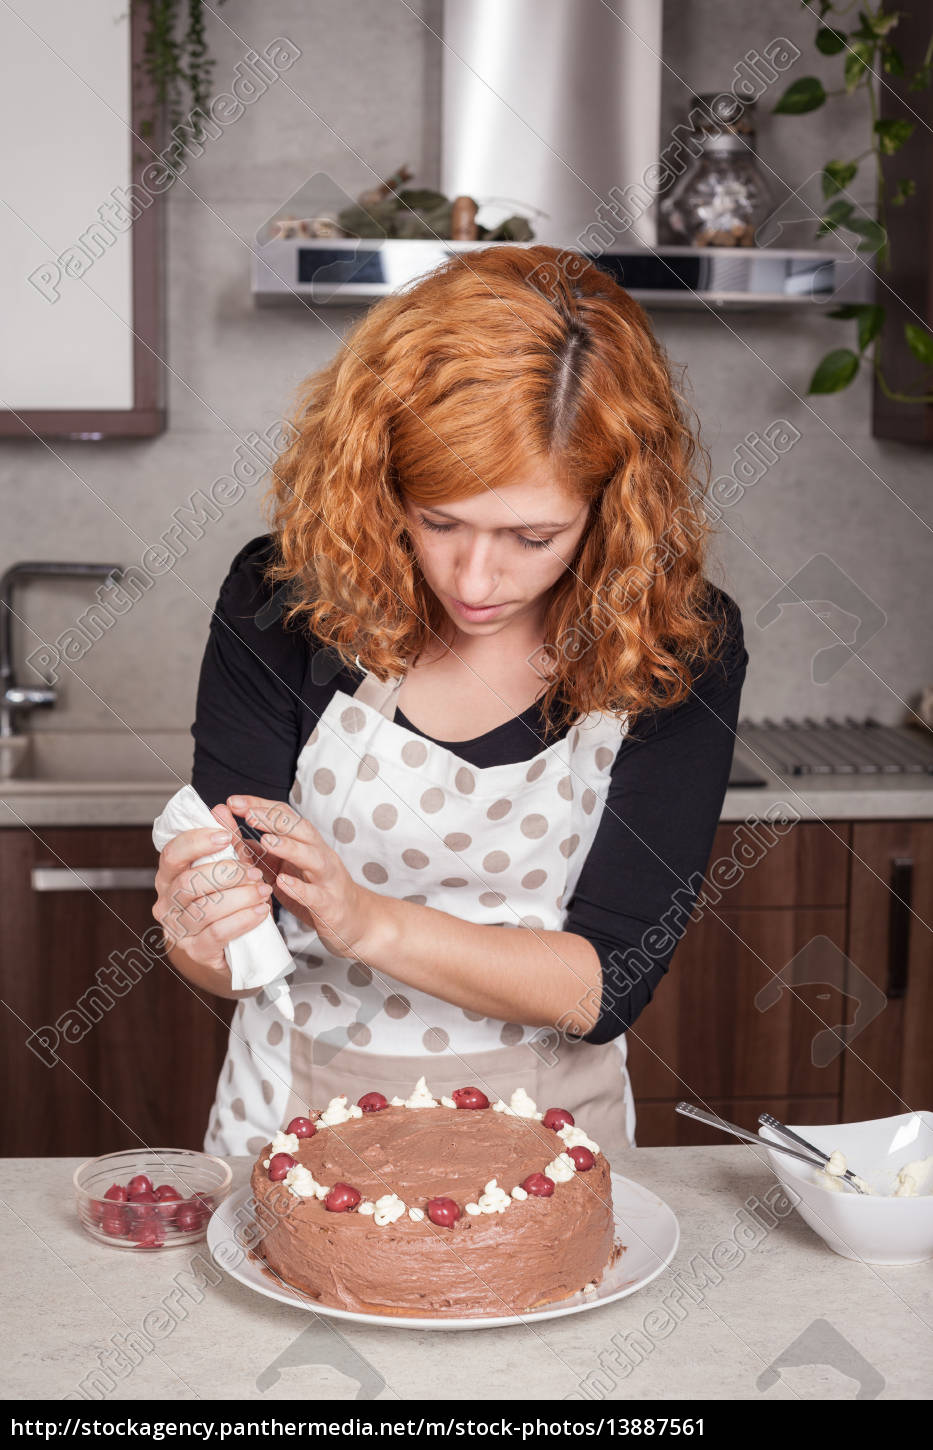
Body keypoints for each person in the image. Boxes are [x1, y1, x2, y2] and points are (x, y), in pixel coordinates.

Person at [152, 243, 747, 1161]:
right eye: (439, 522)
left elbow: (605, 984)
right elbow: (236, 949)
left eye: (531, 536)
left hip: (546, 1137)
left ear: (614, 508)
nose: (476, 579)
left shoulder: (675, 644)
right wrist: (200, 926)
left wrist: (367, 922)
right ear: (380, 483)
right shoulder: (283, 599)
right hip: (287, 1119)